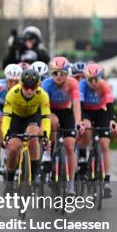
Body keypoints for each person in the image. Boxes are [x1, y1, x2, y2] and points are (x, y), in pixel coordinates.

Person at [76, 63, 117, 198]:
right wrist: (82, 123)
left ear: (100, 78)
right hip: (87, 112)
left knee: (105, 145)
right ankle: (83, 156)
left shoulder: (104, 86)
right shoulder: (82, 85)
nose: (94, 83)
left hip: (101, 112)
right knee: (87, 128)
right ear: (86, 78)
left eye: (96, 79)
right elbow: (81, 106)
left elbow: (110, 106)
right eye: (90, 80)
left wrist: (112, 120)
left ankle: (106, 180)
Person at [2, 68, 51, 187]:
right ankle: (9, 179)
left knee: (33, 135)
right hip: (16, 118)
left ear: (38, 85)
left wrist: (46, 136)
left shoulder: (43, 95)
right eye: (26, 87)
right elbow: (7, 117)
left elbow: (46, 118)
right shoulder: (12, 93)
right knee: (13, 148)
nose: (29, 91)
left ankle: (35, 174)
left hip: (32, 117)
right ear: (21, 84)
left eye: (33, 88)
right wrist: (5, 135)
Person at [41, 56, 81, 196]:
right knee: (54, 121)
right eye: (55, 73)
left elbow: (76, 104)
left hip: (66, 112)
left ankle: (70, 184)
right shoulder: (46, 84)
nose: (58, 76)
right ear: (51, 73)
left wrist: (78, 123)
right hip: (50, 111)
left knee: (70, 146)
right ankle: (47, 153)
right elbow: (43, 108)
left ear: (67, 73)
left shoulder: (73, 83)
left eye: (62, 73)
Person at [0, 64, 22, 177]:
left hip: (15, 108)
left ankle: (18, 162)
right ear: (6, 79)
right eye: (10, 81)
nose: (13, 84)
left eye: (16, 81)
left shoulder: (23, 88)